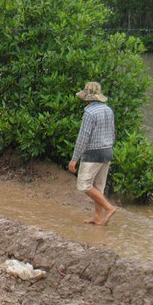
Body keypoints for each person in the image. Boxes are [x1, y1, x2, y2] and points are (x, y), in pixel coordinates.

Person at [68, 82, 118, 225]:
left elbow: (83, 138)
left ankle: (109, 208)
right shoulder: (108, 110)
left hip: (93, 154)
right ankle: (97, 217)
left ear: (87, 98)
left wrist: (74, 159)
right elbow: (113, 133)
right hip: (107, 151)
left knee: (84, 184)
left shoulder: (89, 113)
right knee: (98, 186)